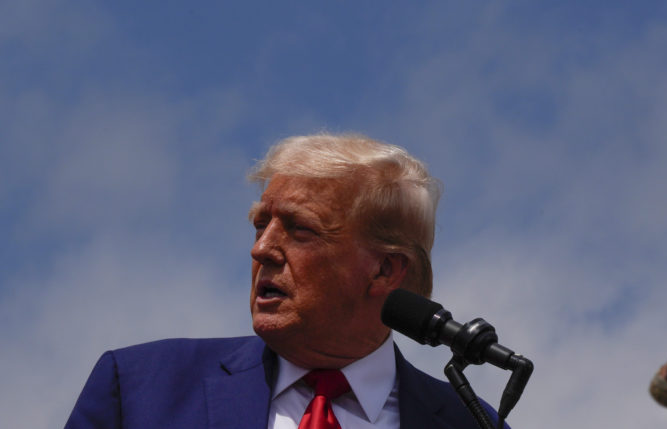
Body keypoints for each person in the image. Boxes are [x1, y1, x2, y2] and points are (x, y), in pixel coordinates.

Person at [66, 133, 507, 428]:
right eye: (262, 224)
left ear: (385, 270)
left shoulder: (471, 424)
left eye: (300, 230)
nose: (261, 249)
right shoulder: (140, 388)